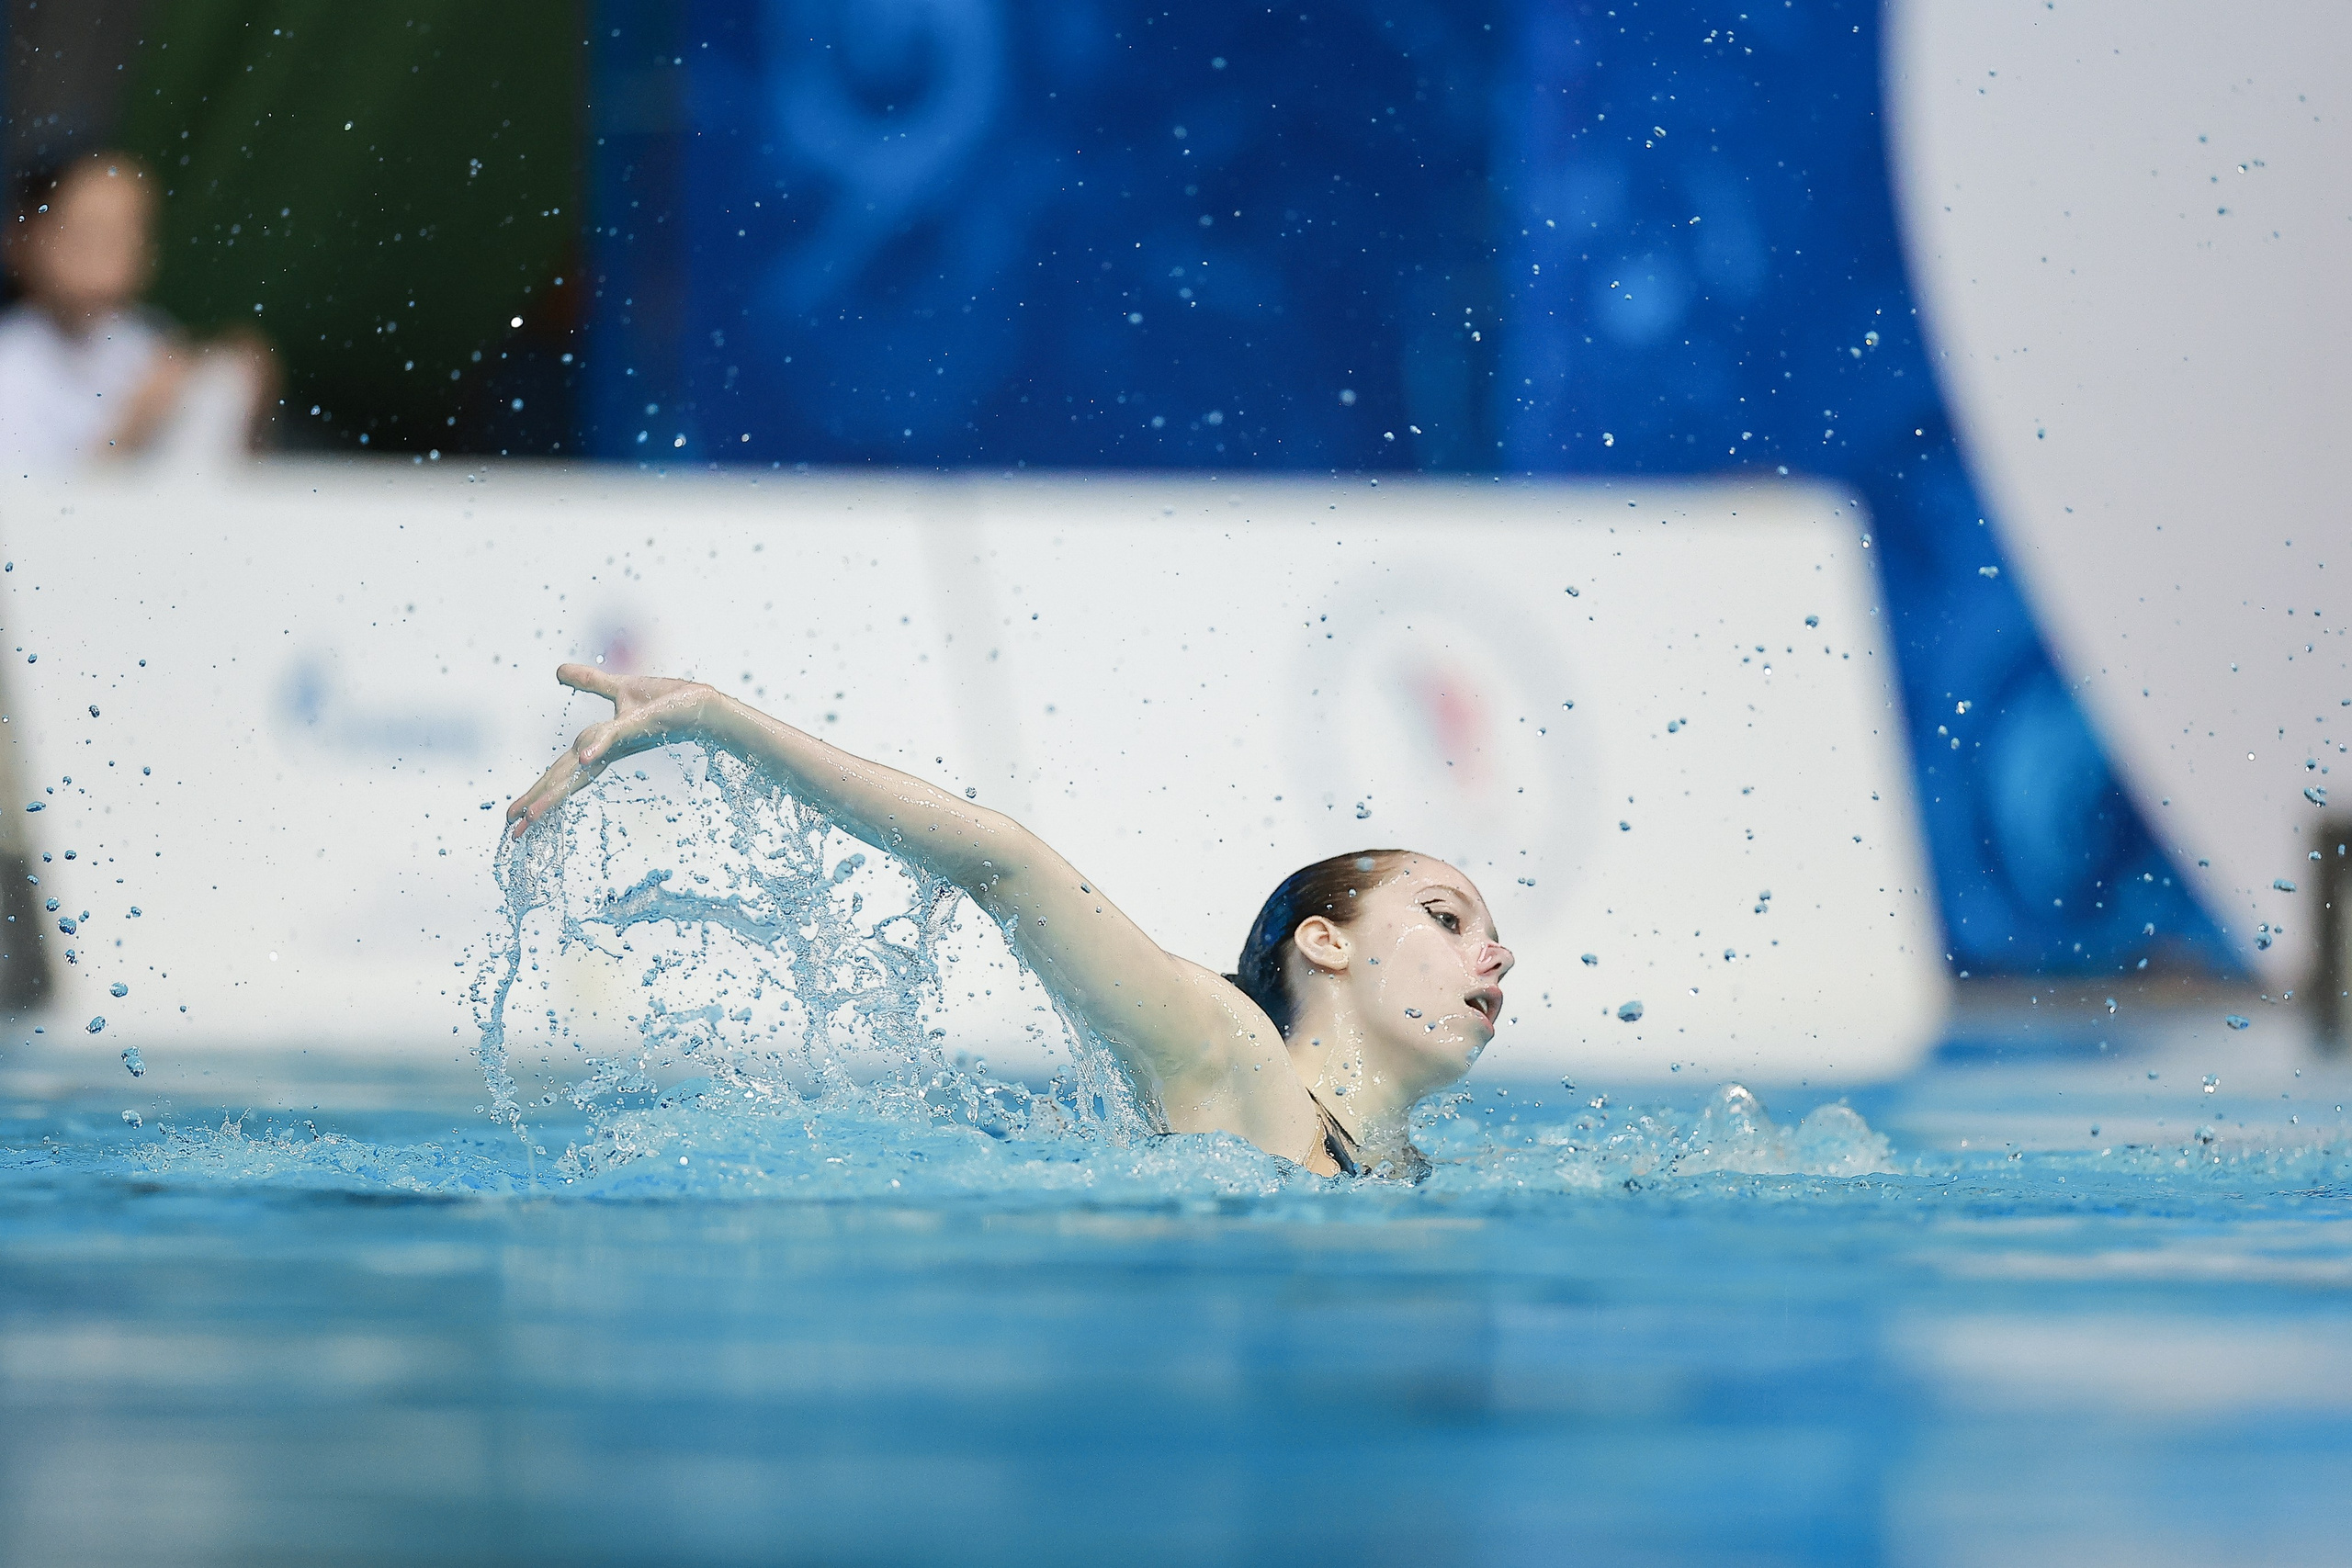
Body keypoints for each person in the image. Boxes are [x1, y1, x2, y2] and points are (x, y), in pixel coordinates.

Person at [508, 665, 1514, 1179]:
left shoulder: (1401, 1171)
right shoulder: (1236, 1058)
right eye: (1445, 916)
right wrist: (716, 718)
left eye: (1487, 932)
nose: (1496, 953)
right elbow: (1002, 860)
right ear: (1323, 944)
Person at [0, 152, 272, 471]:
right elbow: (29, 508)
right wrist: (131, 432)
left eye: (127, 231)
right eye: (89, 231)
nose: (107, 250)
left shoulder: (144, 339)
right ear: (32, 237)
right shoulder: (13, 361)